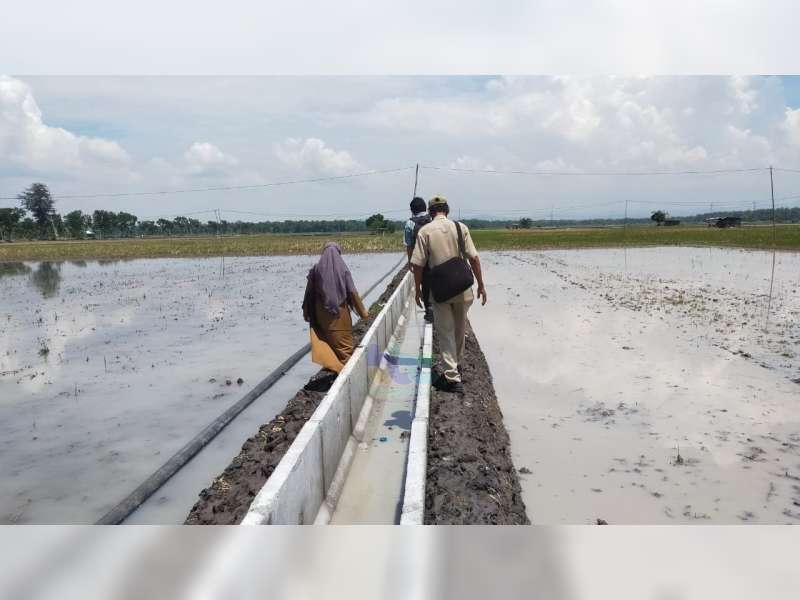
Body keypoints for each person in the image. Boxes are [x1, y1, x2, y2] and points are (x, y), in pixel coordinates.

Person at [410, 196, 487, 394]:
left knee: (445, 332)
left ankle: (452, 379)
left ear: (430, 211)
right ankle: (456, 366)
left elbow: (417, 265)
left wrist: (418, 289)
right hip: (463, 288)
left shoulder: (425, 231)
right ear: (447, 209)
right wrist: (481, 285)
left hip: (441, 290)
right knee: (459, 330)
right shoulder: (460, 227)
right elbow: (474, 259)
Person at [302, 242, 369, 373]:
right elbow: (352, 293)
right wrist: (363, 313)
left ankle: (338, 372)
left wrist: (306, 312)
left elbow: (308, 294)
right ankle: (347, 377)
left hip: (321, 316)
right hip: (339, 315)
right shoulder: (343, 270)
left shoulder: (316, 270)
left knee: (328, 343)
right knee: (345, 349)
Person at [403, 196, 433, 322]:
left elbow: (409, 245)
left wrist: (411, 261)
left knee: (424, 283)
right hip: (435, 257)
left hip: (420, 259)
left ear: (412, 210)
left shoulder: (410, 223)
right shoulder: (432, 219)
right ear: (425, 208)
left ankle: (429, 309)